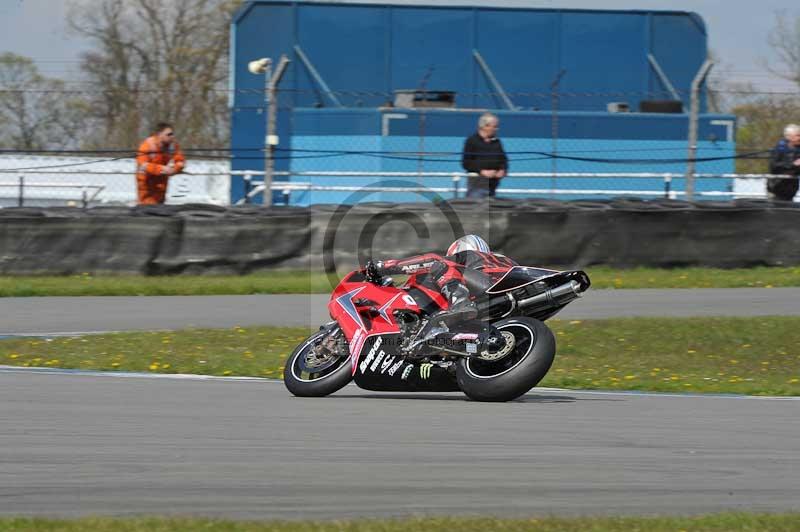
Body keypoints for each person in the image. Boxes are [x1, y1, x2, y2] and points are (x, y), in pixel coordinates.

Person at [372, 234, 517, 328]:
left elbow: (432, 260)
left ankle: (460, 303)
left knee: (438, 265)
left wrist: (385, 267)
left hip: (489, 286)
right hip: (514, 289)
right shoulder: (502, 259)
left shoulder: (467, 256)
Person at [135, 122, 186, 205]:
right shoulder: (147, 145)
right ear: (160, 134)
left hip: (161, 180)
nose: (172, 137)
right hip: (146, 180)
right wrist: (162, 169)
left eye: (172, 134)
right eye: (169, 134)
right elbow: (143, 164)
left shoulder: (173, 146)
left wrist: (174, 170)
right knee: (146, 206)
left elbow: (180, 161)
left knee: (159, 205)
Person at [461, 113, 508, 199]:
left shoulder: (497, 142)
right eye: (494, 126)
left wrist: (502, 170)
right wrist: (482, 171)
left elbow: (503, 159)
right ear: (485, 126)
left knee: (489, 208)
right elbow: (466, 163)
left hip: (493, 183)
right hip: (477, 183)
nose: (496, 129)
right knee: (476, 206)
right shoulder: (471, 141)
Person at [768, 124, 800, 202]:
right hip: (777, 189)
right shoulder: (779, 148)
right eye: (798, 135)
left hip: (791, 190)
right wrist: (792, 164)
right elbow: (774, 165)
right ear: (789, 137)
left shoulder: (798, 150)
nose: (799, 138)